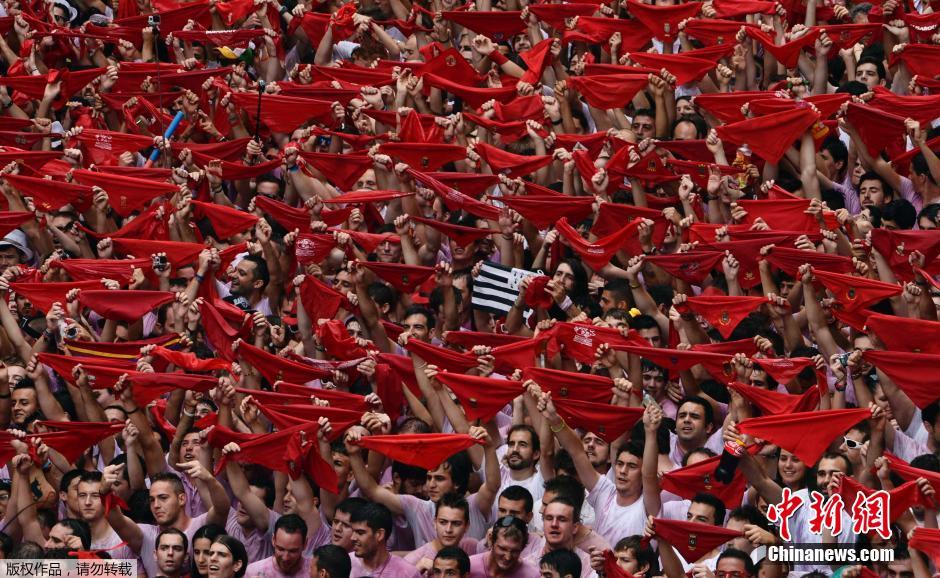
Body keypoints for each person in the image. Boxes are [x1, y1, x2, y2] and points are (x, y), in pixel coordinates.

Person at [348, 501, 420, 578]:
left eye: (360, 533)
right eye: (353, 531)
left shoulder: (407, 573)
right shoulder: (344, 564)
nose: (352, 538)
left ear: (379, 534)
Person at [245, 514, 311, 578]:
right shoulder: (254, 572)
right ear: (273, 540)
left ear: (305, 544)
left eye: (292, 551)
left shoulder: (315, 572)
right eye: (281, 549)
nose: (285, 558)